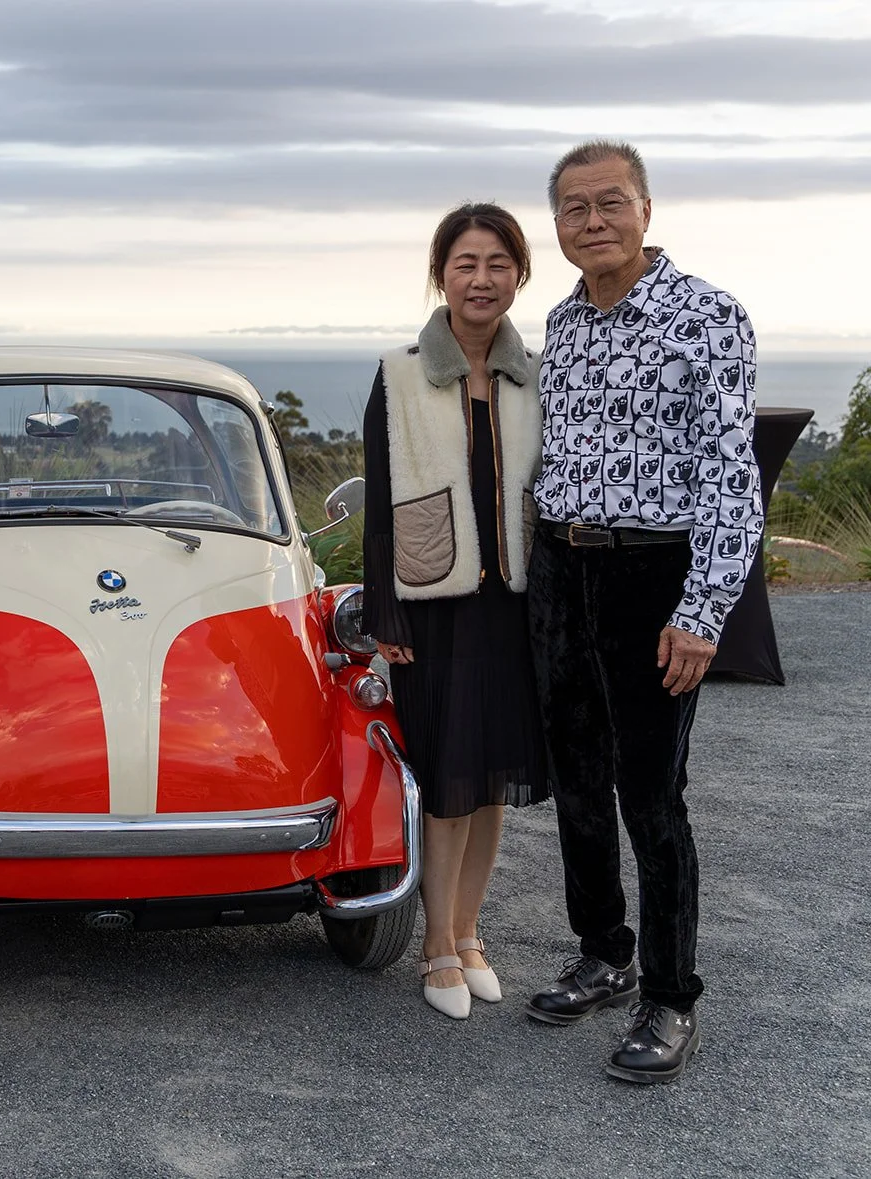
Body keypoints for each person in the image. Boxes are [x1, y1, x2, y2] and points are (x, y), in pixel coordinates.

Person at [525, 140, 761, 1084]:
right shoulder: (562, 322)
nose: (592, 221)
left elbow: (729, 478)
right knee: (577, 780)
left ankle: (669, 996)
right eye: (574, 208)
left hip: (653, 578)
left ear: (647, 209)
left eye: (609, 203)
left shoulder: (710, 318)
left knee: (651, 797)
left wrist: (701, 610)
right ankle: (604, 951)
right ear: (559, 226)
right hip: (560, 568)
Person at [362, 203, 550, 1020]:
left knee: (491, 782)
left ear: (519, 275)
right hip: (433, 609)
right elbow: (378, 504)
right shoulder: (398, 374)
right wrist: (384, 613)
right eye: (467, 263)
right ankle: (436, 943)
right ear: (441, 273)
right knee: (445, 780)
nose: (483, 278)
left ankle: (471, 932)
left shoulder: (531, 375)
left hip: (512, 607)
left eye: (498, 263)